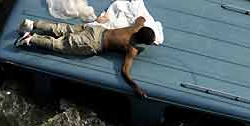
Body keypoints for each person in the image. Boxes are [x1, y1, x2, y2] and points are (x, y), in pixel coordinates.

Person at [14, 15, 154, 98]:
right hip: (93, 43)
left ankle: (33, 24)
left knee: (63, 28)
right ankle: (30, 39)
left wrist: (143, 21)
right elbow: (125, 71)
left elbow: (141, 18)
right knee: (60, 45)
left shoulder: (135, 28)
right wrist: (135, 87)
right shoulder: (132, 49)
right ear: (142, 42)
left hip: (96, 30)